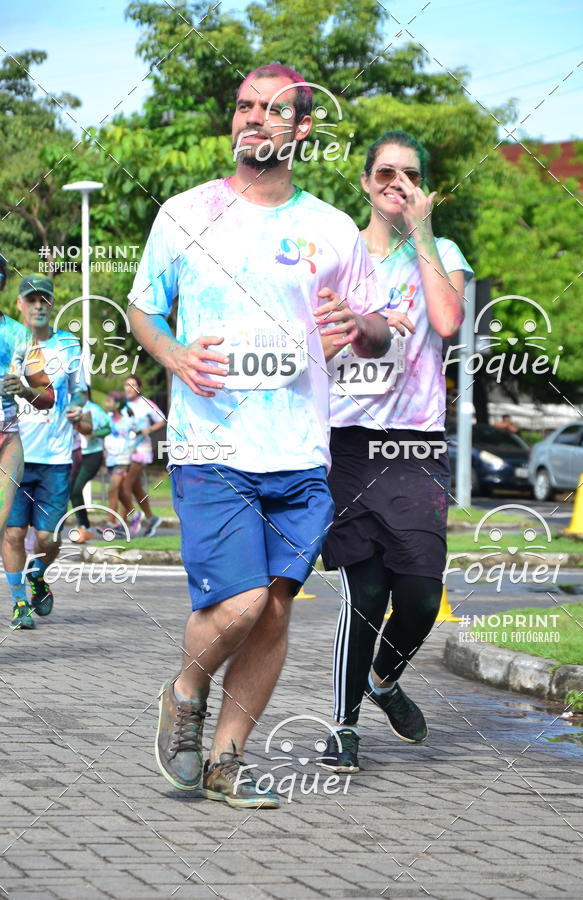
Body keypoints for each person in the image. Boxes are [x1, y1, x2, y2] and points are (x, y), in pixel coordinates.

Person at [128, 64, 390, 809]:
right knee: (240, 604)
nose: (254, 119)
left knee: (275, 609)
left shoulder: (332, 229)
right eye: (245, 106)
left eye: (273, 111)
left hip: (301, 449)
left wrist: (360, 329)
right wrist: (174, 355)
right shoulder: (184, 214)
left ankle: (226, 762)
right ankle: (184, 691)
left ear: (301, 129)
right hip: (212, 447)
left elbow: (373, 328)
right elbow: (142, 308)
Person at [319, 131, 474, 772]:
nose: (396, 182)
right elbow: (312, 349)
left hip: (416, 447)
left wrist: (425, 230)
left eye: (410, 174)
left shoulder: (441, 252)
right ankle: (342, 725)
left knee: (418, 596)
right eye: (385, 172)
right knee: (366, 593)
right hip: (349, 446)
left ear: (423, 188)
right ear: (364, 181)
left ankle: (385, 678)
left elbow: (446, 322)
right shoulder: (335, 255)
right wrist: (359, 330)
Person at [2, 276, 86, 629]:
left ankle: (38, 573)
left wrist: (79, 408)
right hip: (15, 449)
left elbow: (79, 391)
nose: (37, 305)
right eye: (31, 299)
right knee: (14, 533)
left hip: (55, 456)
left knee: (49, 538)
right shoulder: (10, 342)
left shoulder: (69, 345)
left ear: (51, 305)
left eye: (44, 300)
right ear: (20, 304)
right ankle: (20, 602)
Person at [0, 267, 55, 629]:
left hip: (6, 439)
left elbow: (47, 396)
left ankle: (20, 600)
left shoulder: (19, 336)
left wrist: (22, 390)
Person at [122, 375, 165, 537]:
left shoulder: (146, 403)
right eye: (127, 385)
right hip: (125, 451)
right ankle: (151, 518)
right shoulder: (122, 405)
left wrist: (148, 430)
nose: (129, 388)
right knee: (135, 488)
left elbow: (162, 420)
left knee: (124, 486)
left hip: (141, 450)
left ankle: (124, 523)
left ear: (138, 388)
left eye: (132, 385)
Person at [69, 387, 111, 543]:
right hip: (75, 454)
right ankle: (84, 526)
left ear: (86, 394)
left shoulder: (94, 409)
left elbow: (108, 428)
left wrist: (94, 434)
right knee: (72, 490)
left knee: (76, 489)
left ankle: (85, 527)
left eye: (81, 393)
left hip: (92, 455)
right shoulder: (70, 408)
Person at [100, 391, 139, 537]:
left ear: (117, 404)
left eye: (109, 401)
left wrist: (132, 451)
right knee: (121, 492)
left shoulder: (128, 421)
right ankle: (135, 516)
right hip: (110, 459)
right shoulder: (107, 419)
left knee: (112, 488)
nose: (107, 404)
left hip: (122, 460)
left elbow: (139, 434)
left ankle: (110, 522)